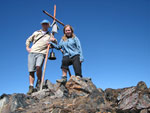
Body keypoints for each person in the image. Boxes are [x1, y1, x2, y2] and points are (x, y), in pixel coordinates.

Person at [26, 20, 56, 95]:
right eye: (43, 24)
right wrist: (27, 47)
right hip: (32, 52)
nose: (45, 25)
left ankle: (39, 81)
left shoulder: (50, 35)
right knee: (31, 70)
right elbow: (28, 40)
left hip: (42, 53)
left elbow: (55, 44)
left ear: (48, 25)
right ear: (42, 25)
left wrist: (54, 40)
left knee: (38, 67)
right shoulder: (36, 32)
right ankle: (31, 87)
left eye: (46, 24)